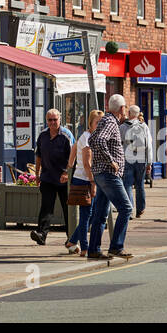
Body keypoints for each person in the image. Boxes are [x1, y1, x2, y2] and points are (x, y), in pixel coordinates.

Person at [86, 94, 135, 262]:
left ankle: (93, 250)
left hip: (101, 174)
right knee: (126, 208)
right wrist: (111, 161)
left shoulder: (106, 121)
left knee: (100, 213)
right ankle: (116, 246)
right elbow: (98, 140)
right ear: (121, 109)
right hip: (108, 174)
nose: (126, 110)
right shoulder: (111, 122)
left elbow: (92, 138)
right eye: (125, 107)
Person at [30, 108, 72, 246]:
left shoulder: (66, 135)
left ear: (60, 119)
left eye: (55, 119)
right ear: (46, 121)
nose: (53, 122)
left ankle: (71, 237)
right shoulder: (42, 136)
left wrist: (66, 172)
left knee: (68, 210)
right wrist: (36, 174)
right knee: (46, 207)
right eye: (50, 120)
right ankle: (41, 234)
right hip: (47, 177)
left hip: (63, 179)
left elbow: (73, 156)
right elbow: (39, 156)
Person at [65, 109, 104, 255]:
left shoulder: (87, 136)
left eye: (102, 123)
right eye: (97, 123)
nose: (99, 126)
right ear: (90, 123)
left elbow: (74, 147)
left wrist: (70, 165)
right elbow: (87, 164)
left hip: (84, 178)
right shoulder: (88, 139)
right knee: (86, 216)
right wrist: (93, 183)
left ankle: (72, 241)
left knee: (91, 215)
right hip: (85, 180)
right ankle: (85, 248)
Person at [121, 105, 153, 218]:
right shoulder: (144, 127)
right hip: (141, 159)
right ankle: (140, 209)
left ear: (129, 113)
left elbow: (119, 144)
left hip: (127, 159)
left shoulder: (123, 127)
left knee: (127, 185)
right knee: (140, 185)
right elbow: (149, 145)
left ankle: (129, 210)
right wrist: (149, 162)